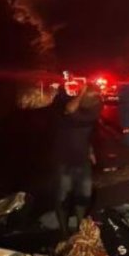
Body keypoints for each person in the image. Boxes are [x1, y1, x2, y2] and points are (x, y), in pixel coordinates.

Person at [50, 82, 102, 237]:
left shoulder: (91, 111)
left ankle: (80, 228)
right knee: (63, 197)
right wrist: (82, 91)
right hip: (63, 160)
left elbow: (88, 134)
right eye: (91, 95)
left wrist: (91, 150)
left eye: (96, 96)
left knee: (84, 196)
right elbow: (70, 109)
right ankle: (64, 232)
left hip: (82, 159)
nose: (95, 99)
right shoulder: (67, 107)